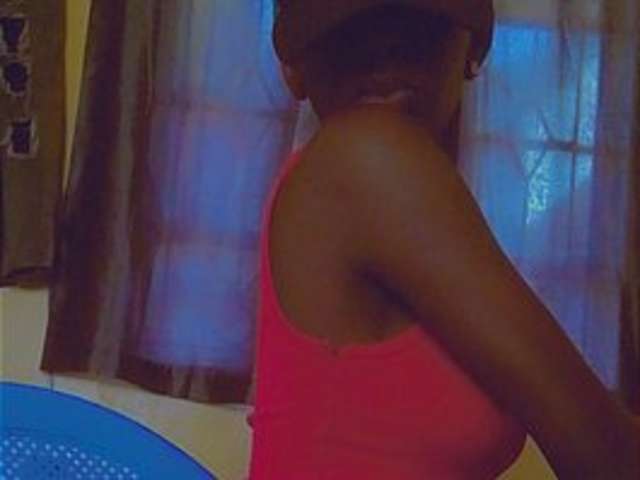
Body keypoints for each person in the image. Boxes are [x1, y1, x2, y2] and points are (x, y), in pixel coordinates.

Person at [246, 1, 640, 478]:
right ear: (292, 68)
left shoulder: (354, 189)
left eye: (414, 25)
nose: (383, 54)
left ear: (476, 47)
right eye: (349, 32)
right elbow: (607, 456)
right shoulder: (364, 157)